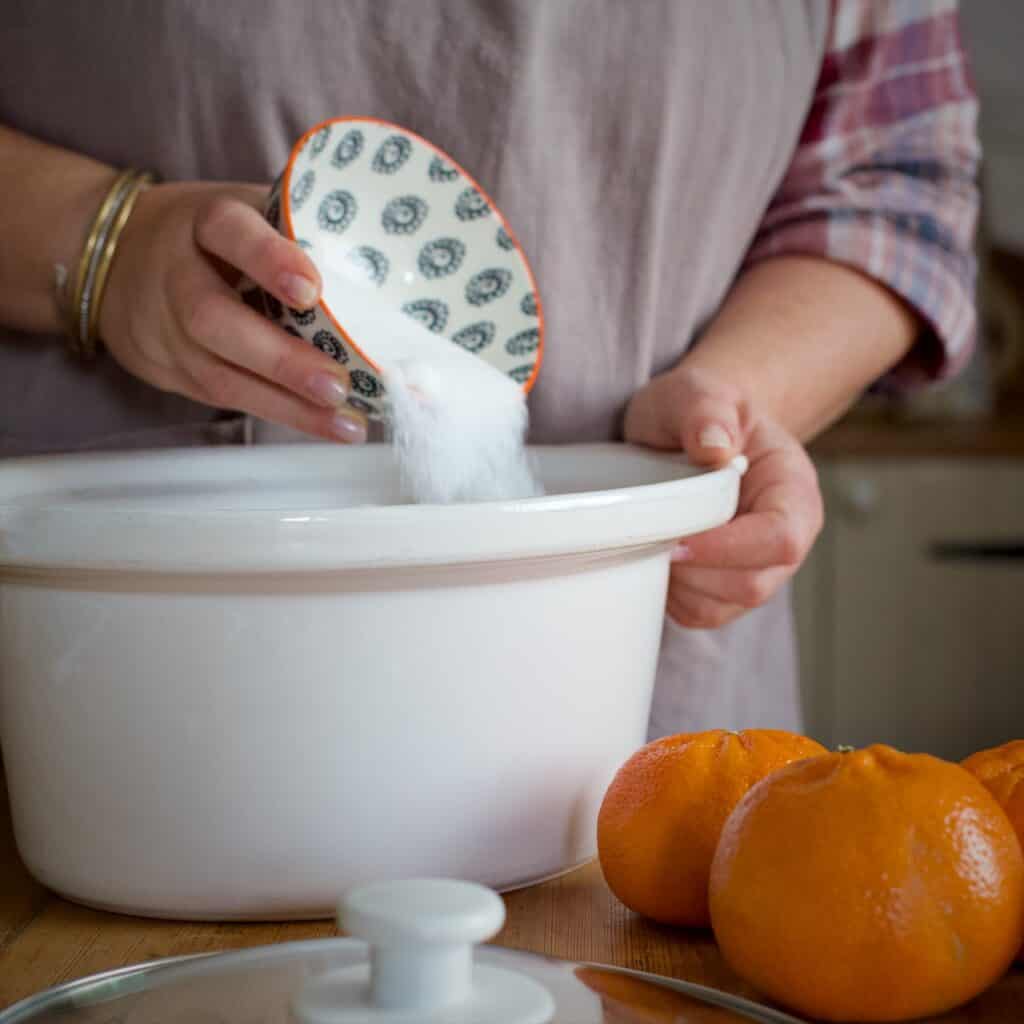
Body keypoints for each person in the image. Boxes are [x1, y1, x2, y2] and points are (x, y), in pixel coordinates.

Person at [0, 1, 978, 738]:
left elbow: (892, 188)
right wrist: (102, 242)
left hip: (637, 678)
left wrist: (734, 396)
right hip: (112, 666)